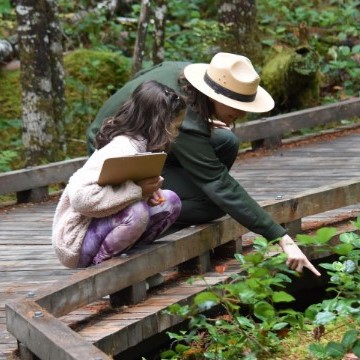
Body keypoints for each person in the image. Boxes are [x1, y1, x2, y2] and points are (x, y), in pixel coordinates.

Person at [87, 52, 321, 276]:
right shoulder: (184, 119)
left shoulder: (191, 77)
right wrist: (281, 237)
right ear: (216, 98)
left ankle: (169, 198)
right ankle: (142, 219)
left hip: (150, 141)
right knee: (215, 204)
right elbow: (218, 182)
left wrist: (205, 121)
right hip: (114, 158)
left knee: (226, 141)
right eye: (237, 107)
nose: (241, 114)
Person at [52, 80, 186, 269]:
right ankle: (101, 274)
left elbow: (122, 188)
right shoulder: (121, 147)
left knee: (170, 201)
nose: (176, 133)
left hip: (103, 228)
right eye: (175, 127)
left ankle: (133, 265)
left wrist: (149, 190)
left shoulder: (143, 147)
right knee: (136, 213)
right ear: (160, 124)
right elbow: (80, 198)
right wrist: (138, 191)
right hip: (76, 241)